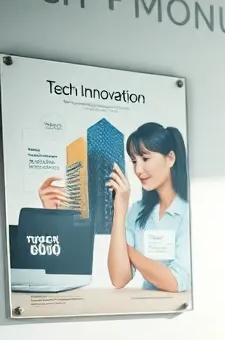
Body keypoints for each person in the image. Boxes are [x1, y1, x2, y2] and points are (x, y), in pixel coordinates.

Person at [41, 122, 192, 292]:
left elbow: (176, 283)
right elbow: (119, 278)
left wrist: (131, 253)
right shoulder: (137, 212)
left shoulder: (189, 212)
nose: (138, 170)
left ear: (170, 158)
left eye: (145, 158)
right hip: (147, 308)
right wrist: (120, 210)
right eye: (134, 161)